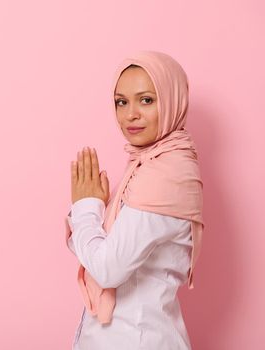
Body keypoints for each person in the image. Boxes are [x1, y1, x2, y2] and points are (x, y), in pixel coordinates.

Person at [64, 50, 204, 350]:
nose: (131, 114)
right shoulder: (150, 166)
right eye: (121, 101)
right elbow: (101, 253)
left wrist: (86, 209)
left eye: (147, 100)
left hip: (137, 338)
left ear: (172, 100)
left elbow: (107, 269)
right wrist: (86, 215)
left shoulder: (165, 176)